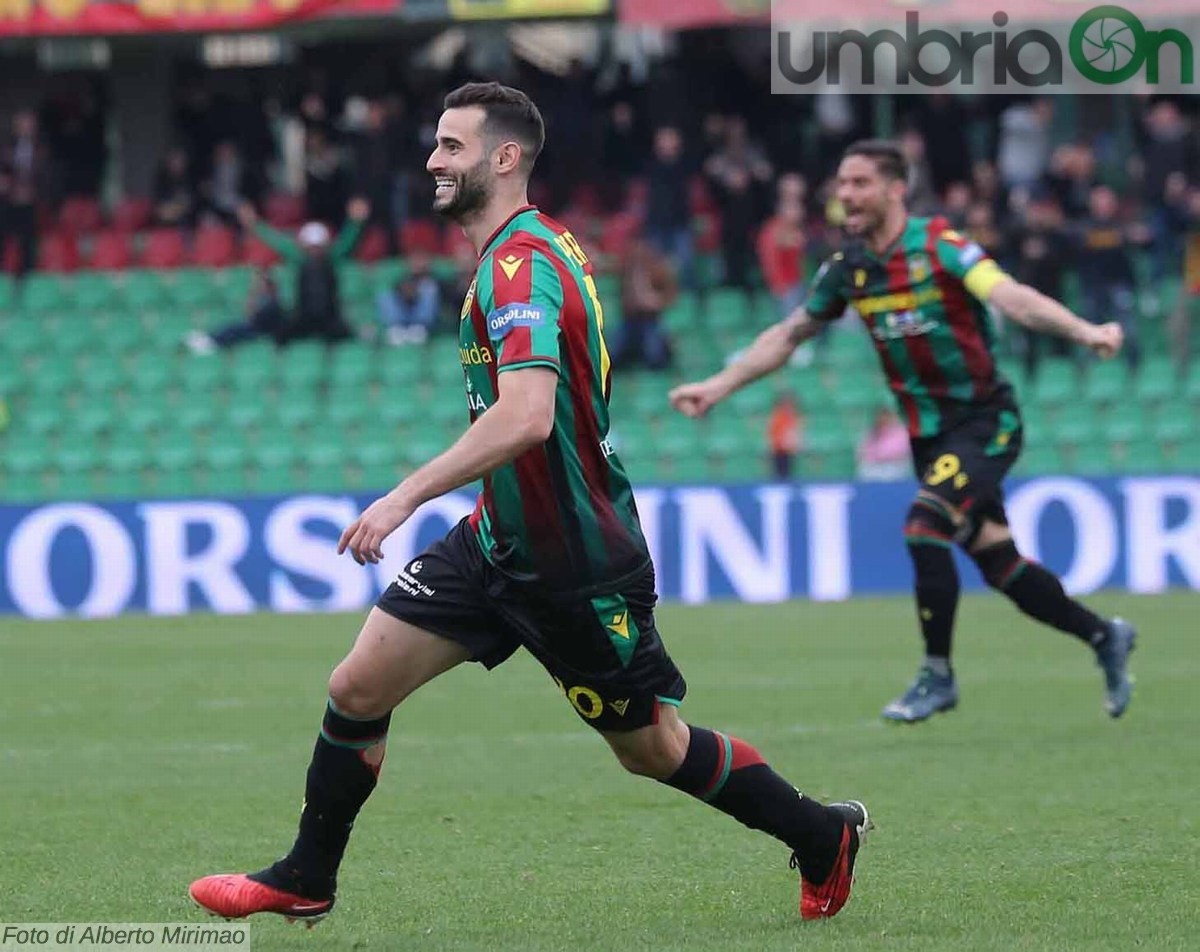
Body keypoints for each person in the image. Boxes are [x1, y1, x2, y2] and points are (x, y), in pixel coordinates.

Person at [189, 81, 870, 927]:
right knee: (358, 686)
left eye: (451, 146)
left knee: (652, 749)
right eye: (435, 144)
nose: (433, 161)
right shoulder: (522, 251)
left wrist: (402, 496)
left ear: (504, 158)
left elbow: (526, 414)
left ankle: (819, 834)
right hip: (497, 538)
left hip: (576, 563)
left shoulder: (522, 264)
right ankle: (306, 876)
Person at [669, 139, 1137, 724]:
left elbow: (1010, 296)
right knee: (1000, 564)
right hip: (929, 438)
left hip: (985, 420)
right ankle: (1104, 635)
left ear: (896, 189)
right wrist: (718, 385)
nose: (846, 195)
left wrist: (1084, 331)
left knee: (925, 525)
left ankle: (936, 675)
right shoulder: (849, 268)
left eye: (860, 183)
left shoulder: (942, 247)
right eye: (841, 184)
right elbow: (790, 335)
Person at [235, 197, 368, 344]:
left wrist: (356, 223)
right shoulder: (299, 257)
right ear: (304, 245)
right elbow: (276, 241)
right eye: (311, 246)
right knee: (277, 338)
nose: (314, 251)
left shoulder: (332, 257)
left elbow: (348, 241)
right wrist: (255, 225)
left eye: (318, 246)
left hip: (330, 317)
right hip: (303, 317)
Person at [609, 236, 676, 370]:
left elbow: (669, 296)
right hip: (630, 319)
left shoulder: (658, 271)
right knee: (613, 353)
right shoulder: (627, 271)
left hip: (650, 318)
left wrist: (655, 300)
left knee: (655, 354)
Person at [185, 268, 285, 354]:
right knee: (231, 327)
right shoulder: (262, 299)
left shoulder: (273, 303)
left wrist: (253, 300)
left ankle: (211, 343)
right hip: (256, 327)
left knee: (235, 330)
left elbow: (255, 318)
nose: (260, 287)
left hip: (263, 332)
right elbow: (248, 313)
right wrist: (253, 294)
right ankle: (210, 340)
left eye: (262, 285)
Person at [375, 251, 442, 345]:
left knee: (429, 288)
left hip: (422, 322)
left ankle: (418, 328)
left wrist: (417, 292)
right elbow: (398, 293)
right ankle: (396, 328)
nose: (418, 264)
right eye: (416, 261)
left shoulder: (434, 280)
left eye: (421, 260)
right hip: (401, 315)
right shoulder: (402, 278)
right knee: (385, 295)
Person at [856, 407, 910, 482]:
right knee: (865, 470)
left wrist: (880, 455)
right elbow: (862, 451)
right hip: (874, 465)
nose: (883, 419)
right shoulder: (872, 431)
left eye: (885, 417)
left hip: (893, 465)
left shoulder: (900, 431)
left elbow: (899, 451)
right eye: (881, 417)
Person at [767, 392, 806, 479]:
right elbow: (774, 435)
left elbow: (796, 433)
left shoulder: (792, 417)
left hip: (789, 452)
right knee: (780, 476)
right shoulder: (778, 417)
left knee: (788, 476)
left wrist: (797, 443)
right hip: (779, 452)